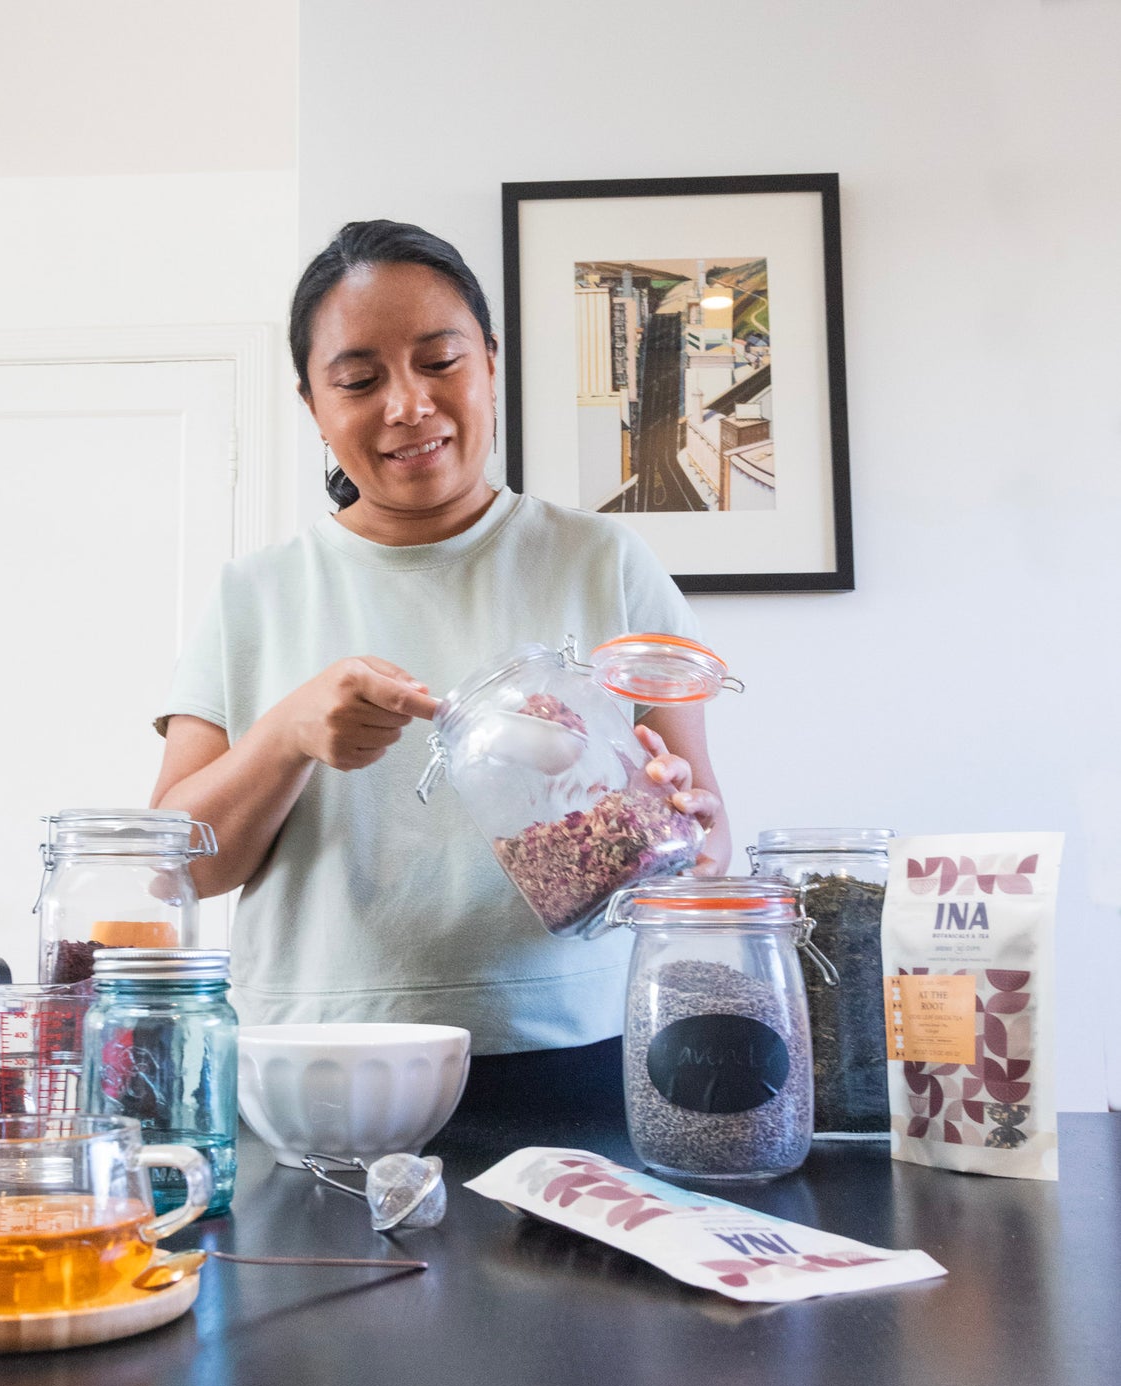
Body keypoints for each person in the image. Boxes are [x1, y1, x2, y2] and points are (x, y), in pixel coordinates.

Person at [151, 219, 728, 1115]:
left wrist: (680, 825)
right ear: (312, 404)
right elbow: (175, 865)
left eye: (439, 361)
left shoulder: (600, 562)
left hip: (578, 1042)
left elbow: (705, 837)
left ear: (490, 363)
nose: (408, 405)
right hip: (318, 1058)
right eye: (357, 380)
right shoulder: (254, 594)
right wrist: (288, 734)